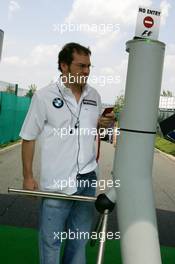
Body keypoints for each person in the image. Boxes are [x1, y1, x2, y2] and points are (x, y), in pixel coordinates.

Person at [20, 42, 115, 264]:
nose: (86, 71)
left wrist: (103, 124)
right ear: (64, 66)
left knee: (78, 239)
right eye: (81, 66)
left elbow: (93, 131)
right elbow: (28, 137)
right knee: (51, 241)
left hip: (88, 179)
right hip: (57, 183)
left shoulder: (95, 95)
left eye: (89, 66)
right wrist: (27, 177)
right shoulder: (44, 96)